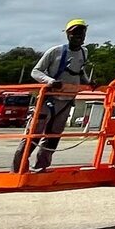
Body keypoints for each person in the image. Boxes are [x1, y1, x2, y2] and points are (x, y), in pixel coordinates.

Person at [23, 18, 94, 172]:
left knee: (54, 135)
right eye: (74, 33)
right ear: (67, 34)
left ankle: (41, 166)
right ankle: (19, 167)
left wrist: (89, 82)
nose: (78, 37)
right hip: (49, 99)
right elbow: (35, 71)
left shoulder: (84, 52)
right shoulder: (55, 52)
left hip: (67, 100)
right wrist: (50, 81)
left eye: (81, 33)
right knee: (34, 134)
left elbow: (79, 72)